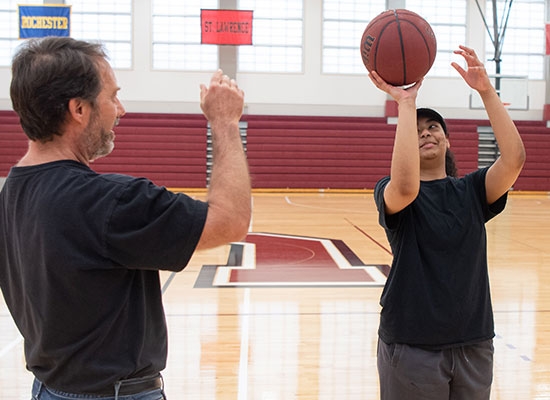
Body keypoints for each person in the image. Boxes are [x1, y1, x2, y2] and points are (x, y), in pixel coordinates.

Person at [0, 36, 251, 399]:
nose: (120, 109)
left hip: (50, 388)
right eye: (111, 96)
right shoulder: (109, 202)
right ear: (79, 109)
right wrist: (226, 123)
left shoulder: (13, 190)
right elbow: (231, 220)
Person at [369, 45, 525, 400]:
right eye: (417, 129)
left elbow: (514, 159)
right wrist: (405, 103)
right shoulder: (392, 192)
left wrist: (486, 90)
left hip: (474, 341)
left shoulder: (471, 191)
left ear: (447, 141)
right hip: (412, 344)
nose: (425, 133)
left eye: (433, 127)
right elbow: (407, 185)